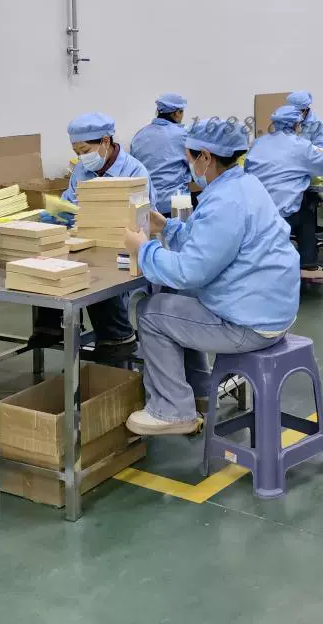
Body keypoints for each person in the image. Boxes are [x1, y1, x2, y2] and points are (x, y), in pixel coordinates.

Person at [122, 119, 300, 436]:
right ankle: (201, 389)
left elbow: (190, 271)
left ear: (205, 157)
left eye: (189, 158)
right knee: (179, 300)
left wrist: (144, 249)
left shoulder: (225, 202)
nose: (188, 166)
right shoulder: (243, 185)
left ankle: (172, 410)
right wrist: (168, 227)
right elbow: (206, 242)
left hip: (250, 323)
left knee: (151, 312)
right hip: (270, 307)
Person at [31, 113, 152, 360]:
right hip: (84, 240)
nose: (81, 157)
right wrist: (60, 214)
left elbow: (144, 219)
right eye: (77, 152)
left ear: (105, 141)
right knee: (48, 257)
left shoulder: (134, 172)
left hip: (120, 244)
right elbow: (70, 201)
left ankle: (117, 335)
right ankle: (50, 325)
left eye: (85, 150)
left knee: (97, 275)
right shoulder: (81, 171)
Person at [245, 105, 323, 279]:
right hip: (281, 214)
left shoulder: (258, 143)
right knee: (307, 213)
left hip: (256, 213)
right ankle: (308, 265)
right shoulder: (300, 146)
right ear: (296, 125)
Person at [129, 93, 190, 216]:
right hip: (176, 202)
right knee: (182, 228)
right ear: (177, 113)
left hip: (146, 204)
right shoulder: (182, 135)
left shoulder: (139, 135)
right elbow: (196, 167)